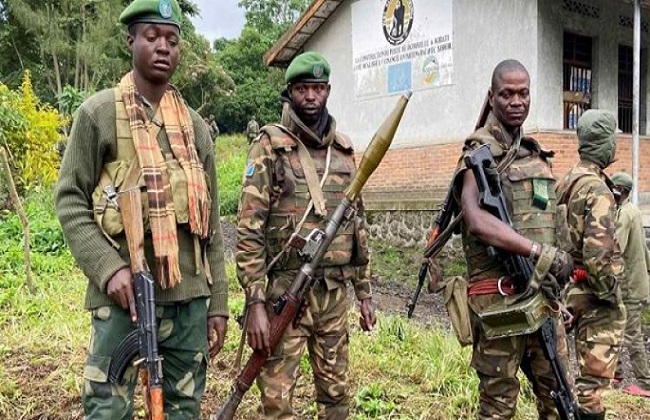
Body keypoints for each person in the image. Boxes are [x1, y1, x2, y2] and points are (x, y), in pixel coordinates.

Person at [54, 0, 229, 418]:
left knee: (184, 408)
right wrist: (108, 269)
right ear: (130, 41)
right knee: (107, 407)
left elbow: (212, 225)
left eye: (172, 40)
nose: (163, 47)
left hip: (189, 300)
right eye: (152, 37)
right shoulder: (98, 114)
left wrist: (218, 303)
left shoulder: (196, 128)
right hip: (124, 298)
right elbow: (70, 199)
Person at [235, 51, 376, 419]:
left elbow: (357, 227)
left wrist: (364, 294)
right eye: (302, 89)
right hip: (286, 293)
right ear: (290, 93)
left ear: (327, 90)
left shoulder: (343, 153)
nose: (311, 96)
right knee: (277, 400)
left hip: (333, 295)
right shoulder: (269, 147)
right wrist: (255, 302)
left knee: (336, 394)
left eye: (318, 88)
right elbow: (249, 228)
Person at [452, 59, 574, 419]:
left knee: (559, 399)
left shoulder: (534, 154)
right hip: (498, 304)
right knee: (498, 406)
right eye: (507, 94)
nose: (517, 101)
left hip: (541, 301)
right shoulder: (477, 155)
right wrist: (537, 251)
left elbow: (547, 225)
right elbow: (476, 219)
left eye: (524, 93)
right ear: (492, 98)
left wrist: (555, 294)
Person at [556, 109, 627, 420]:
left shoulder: (565, 182)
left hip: (566, 290)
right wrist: (611, 294)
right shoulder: (597, 190)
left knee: (564, 378)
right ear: (604, 144)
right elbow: (598, 259)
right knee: (592, 387)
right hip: (593, 298)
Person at [610, 171, 650, 398]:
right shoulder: (631, 210)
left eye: (614, 188)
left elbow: (616, 247)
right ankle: (616, 375)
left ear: (622, 191)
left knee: (632, 335)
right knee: (615, 327)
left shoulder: (625, 214)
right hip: (634, 282)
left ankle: (645, 383)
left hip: (630, 286)